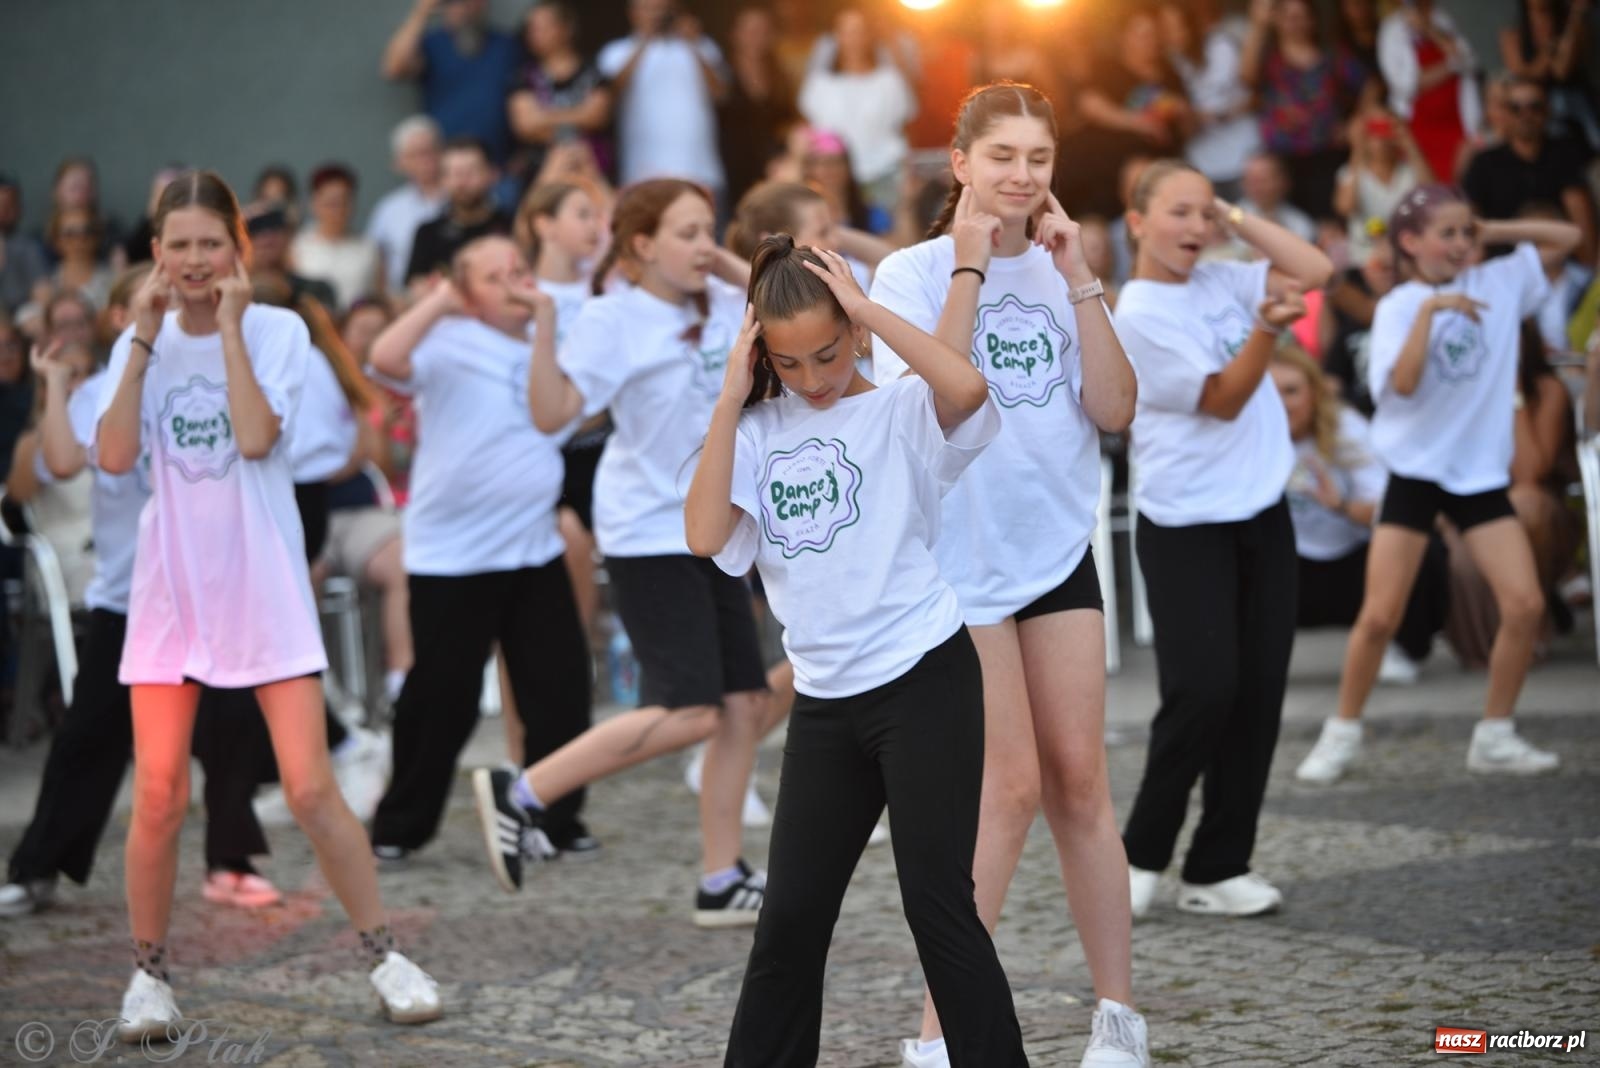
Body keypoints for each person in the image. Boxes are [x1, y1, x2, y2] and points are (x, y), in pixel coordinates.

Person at [93, 171, 440, 1037]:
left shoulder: (280, 331)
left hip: (261, 585)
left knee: (312, 789)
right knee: (162, 795)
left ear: (238, 250)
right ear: (156, 254)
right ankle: (147, 977)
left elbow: (254, 436)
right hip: (172, 593)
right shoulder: (139, 341)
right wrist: (140, 340)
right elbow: (108, 455)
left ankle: (386, 956)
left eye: (212, 243)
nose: (196, 260)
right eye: (179, 246)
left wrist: (236, 334)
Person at [679, 238, 1027, 1067]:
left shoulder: (903, 411)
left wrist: (868, 310)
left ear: (856, 332)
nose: (813, 377)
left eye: (829, 352)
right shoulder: (756, 433)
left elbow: (969, 386)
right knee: (791, 920)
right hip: (828, 704)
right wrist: (732, 396)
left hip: (926, 682)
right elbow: (702, 537)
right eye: (789, 361)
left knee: (938, 906)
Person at [869, 83, 1147, 1068]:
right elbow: (936, 403)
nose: (1022, 175)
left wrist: (1081, 282)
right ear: (959, 164)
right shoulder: (906, 275)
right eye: (1002, 157)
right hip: (957, 565)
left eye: (1037, 157)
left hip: (1052, 553)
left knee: (1080, 783)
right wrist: (971, 272)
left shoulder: (1068, 266)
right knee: (1009, 788)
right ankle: (938, 1036)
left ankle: (1119, 1019)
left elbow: (1113, 410)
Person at [472, 179, 770, 925]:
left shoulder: (719, 299)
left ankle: (720, 879)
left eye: (711, 229)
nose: (706, 245)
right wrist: (545, 321)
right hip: (648, 531)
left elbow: (779, 292)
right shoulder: (612, 318)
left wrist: (728, 265)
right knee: (696, 711)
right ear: (640, 245)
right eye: (688, 232)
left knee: (745, 704)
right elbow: (552, 414)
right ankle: (523, 790)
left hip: (717, 524)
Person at [0, 272, 284, 919]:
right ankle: (37, 867)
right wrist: (51, 386)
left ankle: (231, 863)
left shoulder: (216, 372)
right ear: (122, 318)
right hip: (131, 595)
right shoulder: (100, 391)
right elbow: (57, 466)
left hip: (214, 590)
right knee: (89, 735)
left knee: (231, 727)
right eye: (142, 302)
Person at [1296, 184, 1579, 785]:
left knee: (1526, 605)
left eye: (1462, 231)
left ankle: (1495, 733)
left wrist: (1489, 229)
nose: (1458, 243)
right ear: (1410, 242)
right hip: (1415, 474)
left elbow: (1572, 239)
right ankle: (1340, 733)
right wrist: (1429, 311)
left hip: (1478, 476)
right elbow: (1397, 384)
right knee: (1378, 617)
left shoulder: (1501, 282)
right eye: (1445, 233)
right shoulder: (1398, 306)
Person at [1115, 159, 1333, 918]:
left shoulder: (1222, 276)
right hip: (1184, 525)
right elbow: (1224, 399)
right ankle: (1139, 856)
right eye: (1179, 213)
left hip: (1262, 514)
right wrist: (1271, 326)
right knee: (1202, 691)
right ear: (1136, 223)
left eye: (1205, 214)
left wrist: (1237, 219)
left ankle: (1218, 866)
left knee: (1258, 695)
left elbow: (1316, 268)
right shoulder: (1137, 314)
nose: (1196, 229)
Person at [366, 235, 593, 864]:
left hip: (532, 546)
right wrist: (440, 304)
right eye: (495, 278)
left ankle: (555, 818)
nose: (516, 283)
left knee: (560, 688)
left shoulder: (552, 338)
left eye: (520, 269)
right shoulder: (447, 342)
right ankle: (399, 825)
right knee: (442, 700)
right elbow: (383, 357)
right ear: (466, 292)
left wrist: (545, 321)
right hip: (453, 558)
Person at [1269, 342, 1447, 683]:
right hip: (1286, 568)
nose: (1282, 403)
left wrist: (1340, 505)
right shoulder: (1248, 437)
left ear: (1314, 393)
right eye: (1271, 392)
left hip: (1352, 563)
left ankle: (1403, 646)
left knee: (1420, 547)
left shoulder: (1348, 429)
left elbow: (1392, 513)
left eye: (1291, 391)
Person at [1437, 322, 1584, 667]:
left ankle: (1532, 629)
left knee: (1524, 504)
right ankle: (1490, 646)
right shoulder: (1459, 394)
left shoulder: (1547, 391)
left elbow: (1529, 471)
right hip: (1471, 504)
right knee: (1461, 550)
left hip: (1537, 506)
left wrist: (1511, 392)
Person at [1241, 0, 1369, 219]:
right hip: (1283, 161)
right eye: (1288, 17)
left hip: (1327, 156)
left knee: (1328, 222)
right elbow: (1246, 77)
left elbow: (1369, 85)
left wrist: (1355, 121)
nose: (1294, 23)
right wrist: (1258, 25)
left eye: (1300, 16)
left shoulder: (1332, 55)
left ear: (1312, 20)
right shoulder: (1269, 58)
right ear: (1277, 20)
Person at [798, 9, 918, 222]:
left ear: (869, 36)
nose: (853, 39)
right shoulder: (820, 84)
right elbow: (813, 135)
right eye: (846, 31)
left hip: (884, 174)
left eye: (859, 31)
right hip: (835, 180)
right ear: (835, 36)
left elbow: (904, 127)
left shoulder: (889, 81)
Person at [598, 0, 729, 194]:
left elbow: (721, 93)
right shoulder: (616, 51)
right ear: (632, 13)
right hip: (642, 172)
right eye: (649, 9)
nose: (656, 16)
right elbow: (611, 96)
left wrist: (695, 43)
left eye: (662, 10)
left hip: (700, 168)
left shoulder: (701, 45)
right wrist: (644, 41)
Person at [1462, 77, 1597, 265]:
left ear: (1547, 110)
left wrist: (1590, 275)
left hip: (1565, 264)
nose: (1526, 115)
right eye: (1515, 108)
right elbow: (1469, 221)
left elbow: (1581, 213)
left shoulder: (1565, 153)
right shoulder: (1483, 163)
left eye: (1535, 107)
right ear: (1505, 113)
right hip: (1505, 267)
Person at [1073, 8, 1193, 219]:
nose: (1150, 41)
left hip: (1161, 163)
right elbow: (1089, 104)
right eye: (1142, 34)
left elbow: (1188, 129)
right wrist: (1138, 123)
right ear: (1124, 37)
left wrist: (1184, 112)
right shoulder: (1110, 68)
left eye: (1154, 34)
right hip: (1111, 166)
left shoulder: (1170, 73)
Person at [381, 0, 520, 167]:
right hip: (446, 168)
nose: (464, 7)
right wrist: (421, 12)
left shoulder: (508, 46)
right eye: (453, 2)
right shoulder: (432, 44)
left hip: (500, 165)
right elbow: (394, 68)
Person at [507, 0, 614, 192]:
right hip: (540, 172)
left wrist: (543, 117)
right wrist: (578, 118)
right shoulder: (523, 77)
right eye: (530, 28)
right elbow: (525, 125)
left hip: (591, 169)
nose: (534, 34)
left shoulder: (593, 73)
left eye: (543, 27)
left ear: (567, 28)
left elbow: (597, 117)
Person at [1162, 0, 1260, 203]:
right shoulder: (1170, 64)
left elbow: (1257, 92)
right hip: (1203, 166)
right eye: (1166, 29)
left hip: (1246, 156)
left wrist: (1223, 113)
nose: (1173, 34)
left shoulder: (1224, 43)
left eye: (1177, 26)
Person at [1377, 0, 1482, 185]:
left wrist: (1430, 30)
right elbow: (1403, 85)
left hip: (1456, 127)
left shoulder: (1445, 20)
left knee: (1458, 189)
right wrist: (1451, 66)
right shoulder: (1392, 28)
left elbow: (1469, 60)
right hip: (1418, 129)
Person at [721, 6, 800, 209]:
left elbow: (789, 120)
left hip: (770, 168)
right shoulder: (720, 72)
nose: (756, 37)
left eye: (763, 31)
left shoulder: (780, 74)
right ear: (735, 34)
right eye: (750, 31)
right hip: (730, 168)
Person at [404, 137, 512, 284]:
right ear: (442, 179)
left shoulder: (511, 226)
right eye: (453, 173)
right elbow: (414, 286)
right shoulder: (428, 232)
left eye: (471, 171)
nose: (461, 182)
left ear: (493, 174)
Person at [366, 116, 447, 300]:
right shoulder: (388, 210)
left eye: (431, 151)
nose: (426, 160)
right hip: (404, 305)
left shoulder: (463, 199)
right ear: (399, 162)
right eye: (417, 154)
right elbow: (379, 266)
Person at [1335, 109, 1432, 263]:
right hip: (1364, 258)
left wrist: (1409, 144)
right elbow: (1345, 207)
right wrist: (1357, 148)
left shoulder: (1409, 171)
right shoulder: (1351, 170)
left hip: (1407, 256)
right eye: (1373, 130)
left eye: (1386, 129)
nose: (1380, 138)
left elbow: (1431, 195)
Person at [1500, 0, 1598, 149]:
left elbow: (1562, 70)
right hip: (1536, 104)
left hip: (1575, 97)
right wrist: (1551, 49)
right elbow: (1526, 73)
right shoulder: (1513, 33)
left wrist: (1575, 16)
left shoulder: (1570, 24)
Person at [1320, 239, 1397, 416]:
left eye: (1394, 267)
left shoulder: (1418, 304)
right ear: (1365, 271)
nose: (1388, 273)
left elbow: (1374, 312)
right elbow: (1331, 372)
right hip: (1357, 417)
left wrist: (1330, 281)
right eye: (1379, 266)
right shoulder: (1349, 320)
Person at [292, 164, 383, 312]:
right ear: (314, 203)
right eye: (330, 203)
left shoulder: (368, 248)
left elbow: (378, 296)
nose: (338, 210)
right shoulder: (296, 246)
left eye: (343, 202)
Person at [1236, 152, 1316, 244]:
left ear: (1283, 182)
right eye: (1251, 180)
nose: (1256, 187)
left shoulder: (1299, 222)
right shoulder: (1234, 213)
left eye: (1263, 180)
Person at [47, 207, 114, 310]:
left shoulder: (114, 280)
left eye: (86, 232)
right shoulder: (46, 282)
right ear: (56, 240)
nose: (79, 240)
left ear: (97, 237)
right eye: (69, 234)